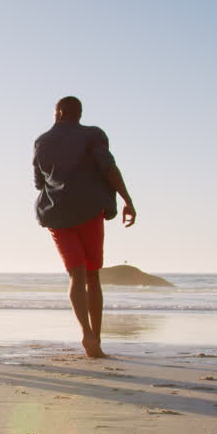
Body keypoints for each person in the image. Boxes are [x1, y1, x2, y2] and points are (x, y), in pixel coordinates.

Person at [32, 96, 136, 358]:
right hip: (89, 211)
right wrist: (127, 199)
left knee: (75, 276)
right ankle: (96, 340)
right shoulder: (93, 136)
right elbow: (109, 168)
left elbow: (38, 182)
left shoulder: (42, 141)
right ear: (78, 114)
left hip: (56, 214)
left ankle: (85, 332)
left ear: (58, 113)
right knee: (92, 275)